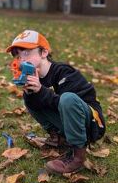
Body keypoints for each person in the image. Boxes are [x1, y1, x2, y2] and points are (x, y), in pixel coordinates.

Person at [6, 29, 106, 175]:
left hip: (91, 125)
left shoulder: (64, 72)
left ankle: (77, 156)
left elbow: (68, 103)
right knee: (31, 97)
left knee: (67, 99)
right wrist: (31, 93)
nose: (22, 59)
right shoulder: (34, 76)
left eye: (26, 52)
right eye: (18, 56)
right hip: (69, 123)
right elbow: (40, 105)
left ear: (44, 52)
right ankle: (59, 138)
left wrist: (41, 90)